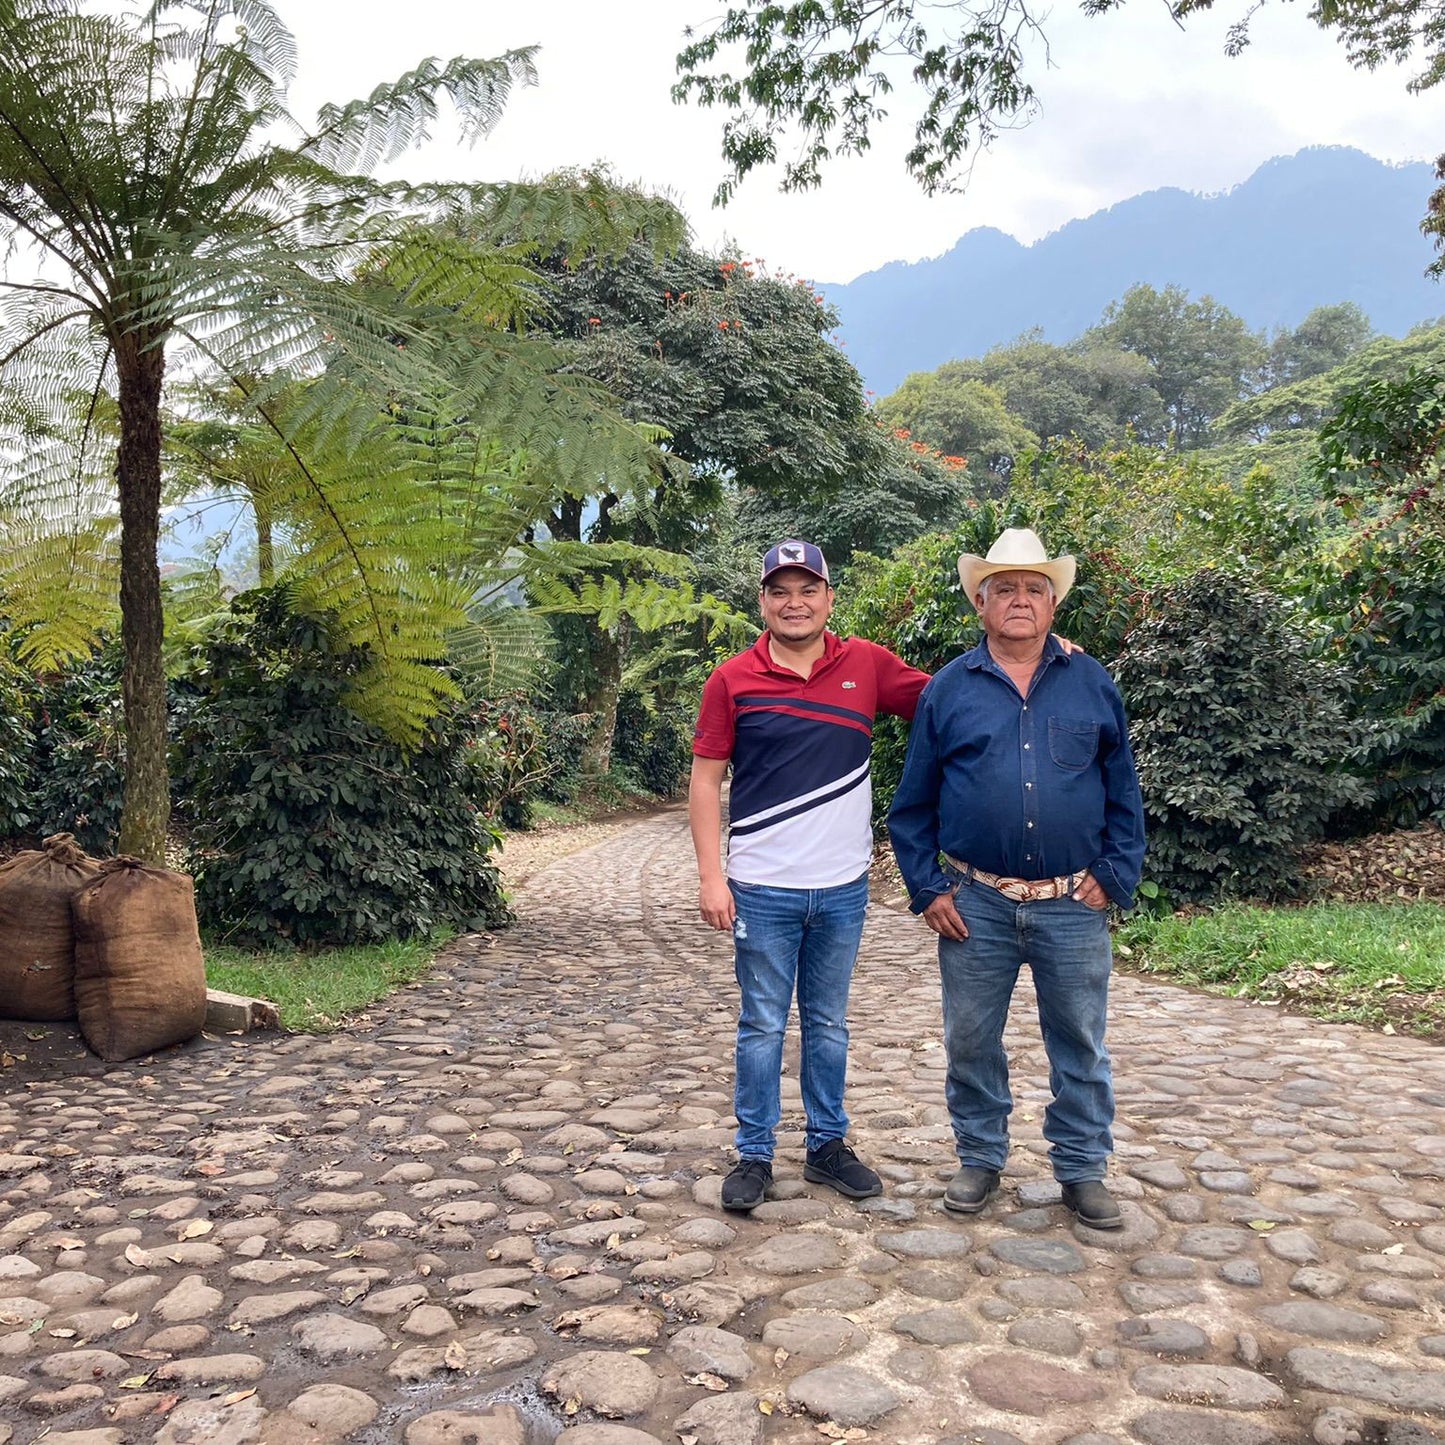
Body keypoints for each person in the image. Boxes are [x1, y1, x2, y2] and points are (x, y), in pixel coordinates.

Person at [887, 528, 1146, 1230]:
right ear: (980, 601)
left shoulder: (1092, 682)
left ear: (1053, 602)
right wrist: (926, 888)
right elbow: (910, 804)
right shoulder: (947, 690)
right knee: (970, 1038)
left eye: (1034, 587)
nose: (1019, 600)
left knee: (1080, 1041)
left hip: (1071, 903)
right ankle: (979, 1155)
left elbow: (1123, 792)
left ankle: (1082, 1167)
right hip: (976, 903)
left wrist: (1113, 875)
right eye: (1004, 588)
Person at [689, 539, 931, 1212]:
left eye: (807, 589)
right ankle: (755, 1153)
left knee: (827, 1023)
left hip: (843, 887)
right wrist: (713, 876)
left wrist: (1042, 660)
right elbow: (705, 782)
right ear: (762, 601)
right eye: (779, 591)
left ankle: (827, 1145)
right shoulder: (731, 679)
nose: (794, 603)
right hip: (761, 887)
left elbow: (950, 700)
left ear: (828, 597)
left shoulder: (868, 666)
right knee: (761, 1024)